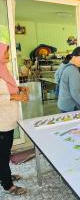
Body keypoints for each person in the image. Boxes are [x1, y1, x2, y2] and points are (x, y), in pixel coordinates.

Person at [0, 42, 29, 195]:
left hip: (8, 118)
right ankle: (8, 185)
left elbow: (7, 88)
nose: (8, 56)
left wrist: (19, 89)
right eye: (6, 52)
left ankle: (4, 175)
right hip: (1, 122)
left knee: (5, 152)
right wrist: (13, 96)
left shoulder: (4, 69)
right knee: (3, 154)